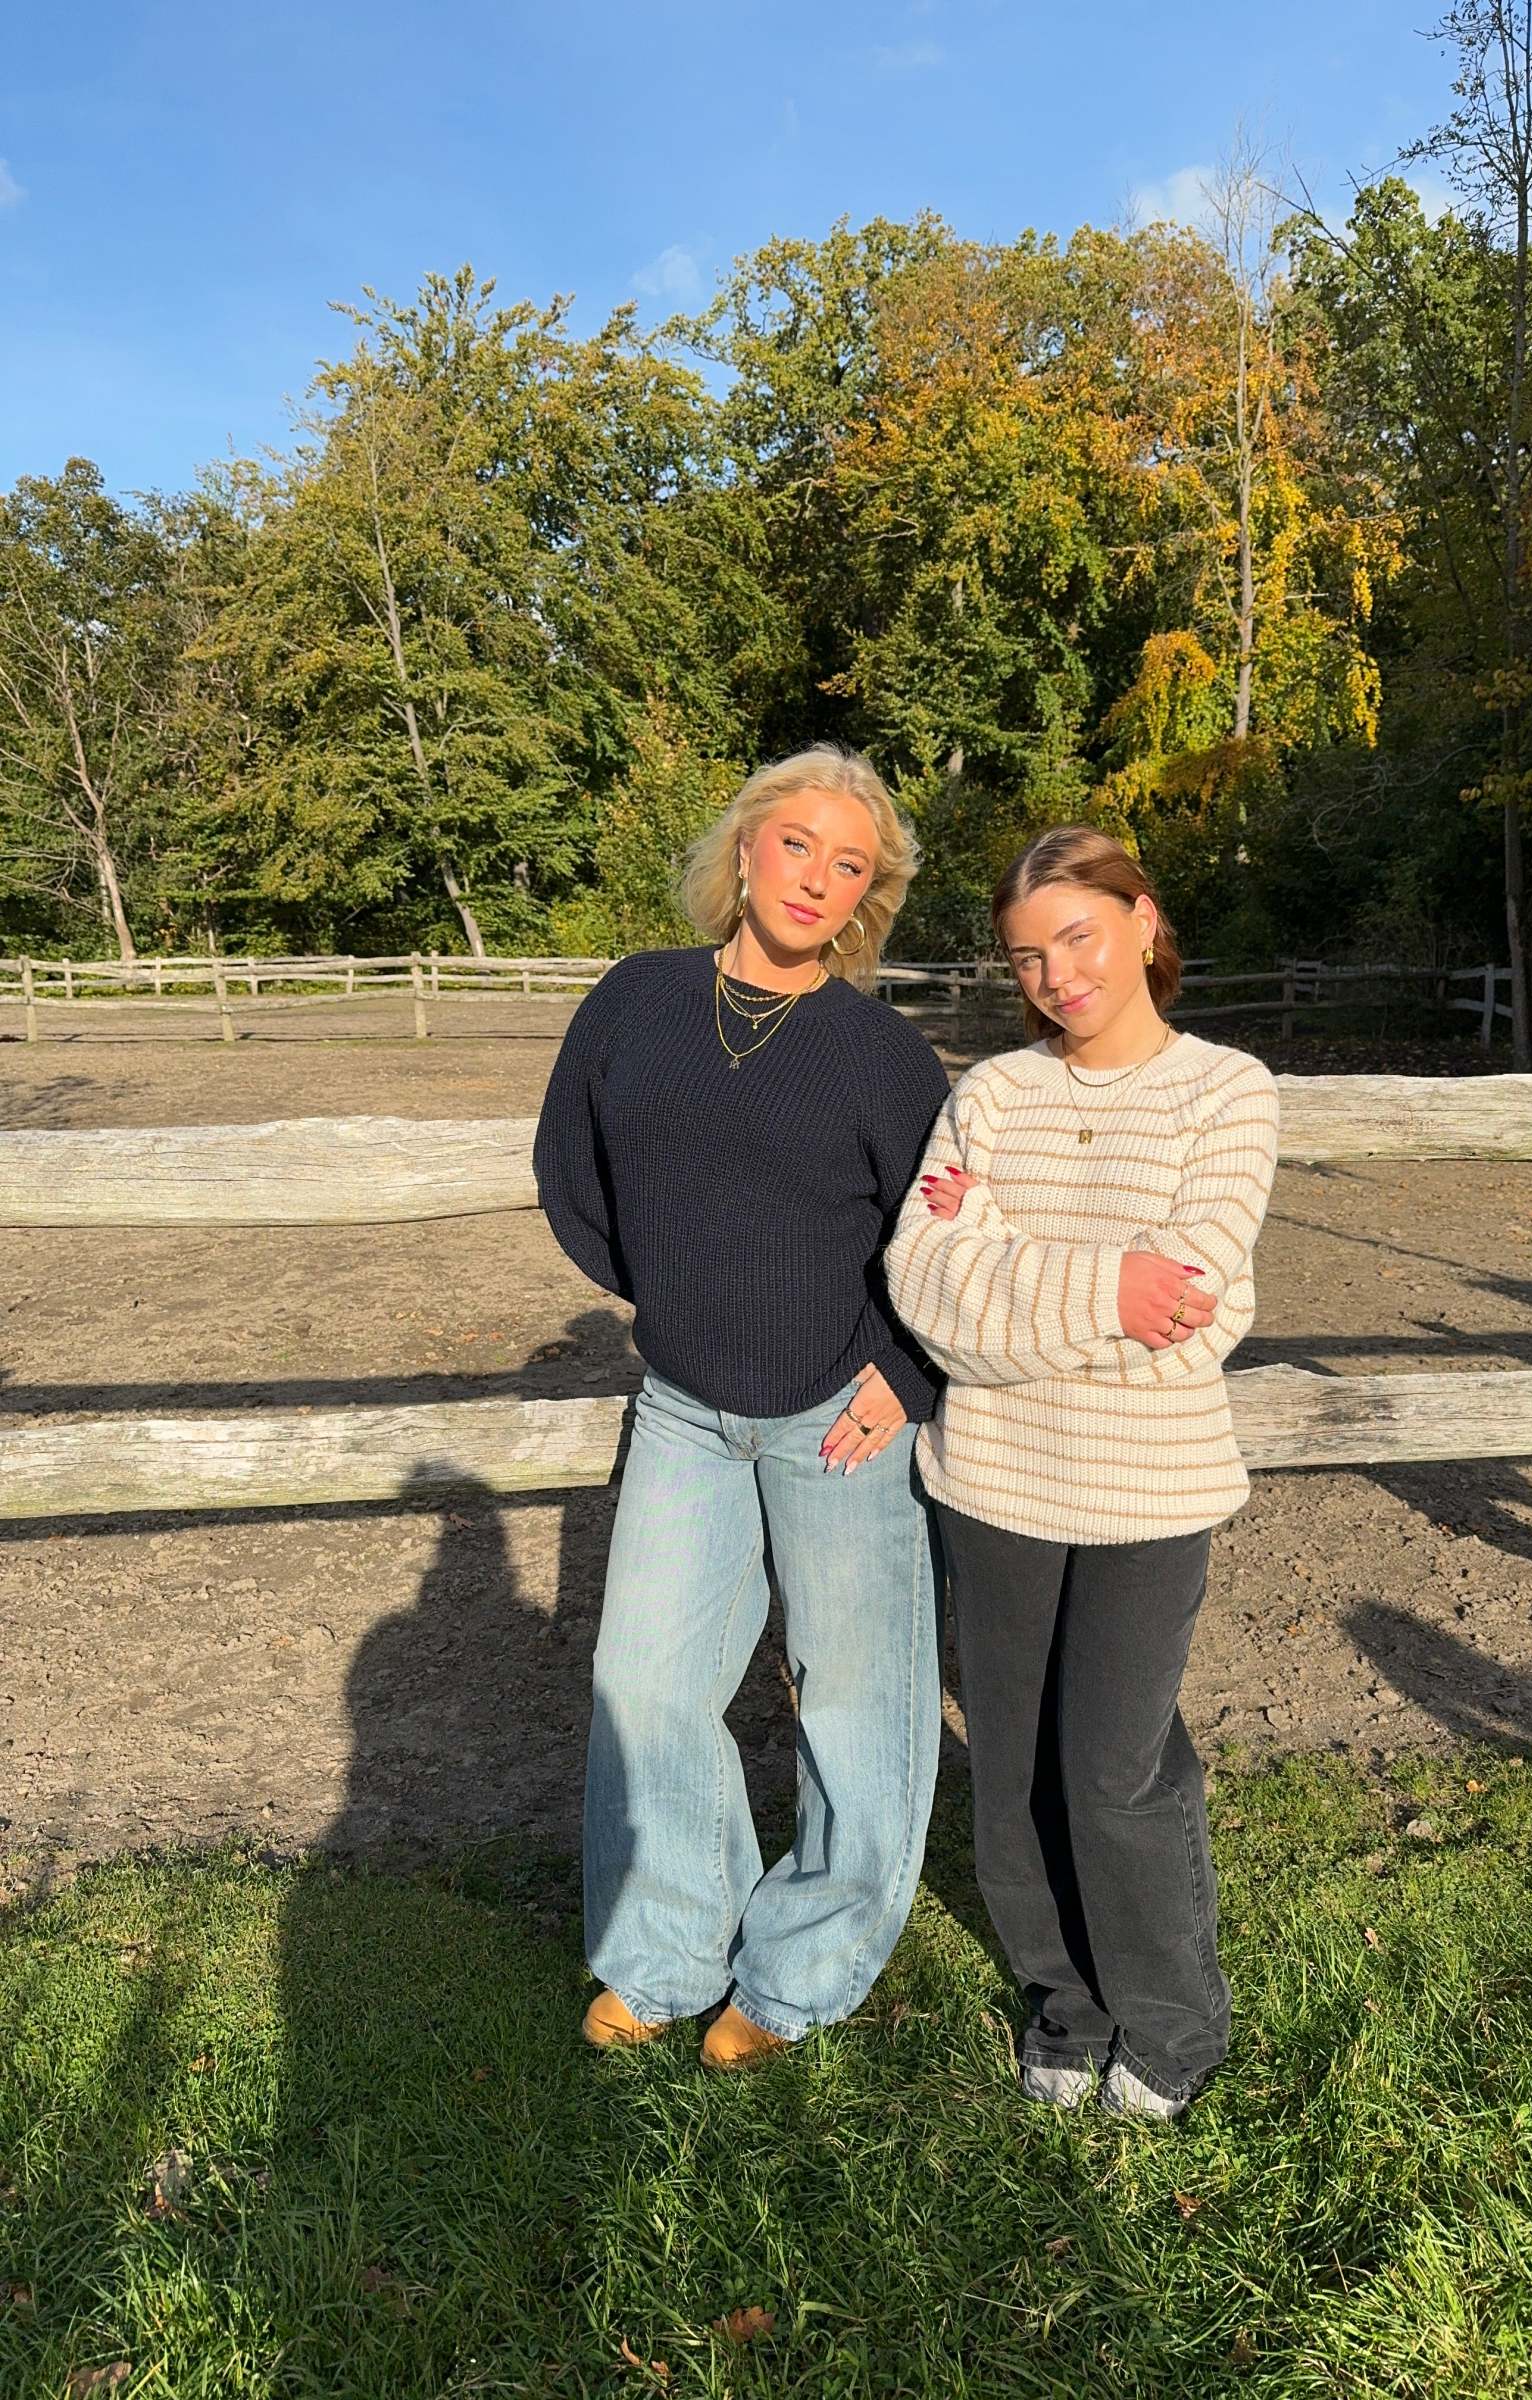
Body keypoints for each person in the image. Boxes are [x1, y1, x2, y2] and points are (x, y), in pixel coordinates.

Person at [533, 745, 948, 2070]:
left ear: (869, 896)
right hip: (686, 1410)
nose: (817, 878)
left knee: (857, 1705)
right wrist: (673, 1290)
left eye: (851, 865)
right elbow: (572, 1167)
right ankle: (665, 1952)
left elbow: (950, 1241)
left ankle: (800, 1974)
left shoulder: (882, 1055)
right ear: (746, 848)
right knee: (644, 1683)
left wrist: (911, 1372)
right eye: (799, 845)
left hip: (841, 1416)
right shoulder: (638, 1000)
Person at [884, 825, 1278, 2121]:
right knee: (1011, 1773)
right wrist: (1112, 1286)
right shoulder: (991, 1096)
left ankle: (1171, 2023)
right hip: (996, 1486)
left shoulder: (1227, 1094)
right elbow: (927, 1285)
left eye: (1079, 937)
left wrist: (1011, 1275)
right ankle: (1068, 2003)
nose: (1058, 975)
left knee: (1114, 1769)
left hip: (1147, 1494)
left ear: (1143, 923)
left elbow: (1199, 1312)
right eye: (1027, 957)